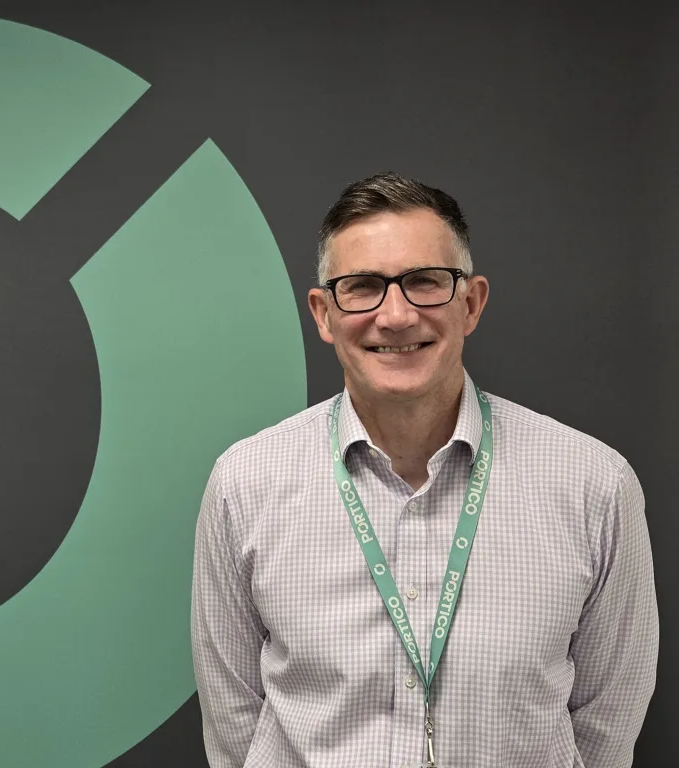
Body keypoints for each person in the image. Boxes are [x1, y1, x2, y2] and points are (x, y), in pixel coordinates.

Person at [190, 172, 658, 768]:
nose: (397, 315)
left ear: (471, 303)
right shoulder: (244, 485)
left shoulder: (594, 485)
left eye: (424, 282)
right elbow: (235, 721)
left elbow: (606, 721)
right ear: (323, 313)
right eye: (361, 287)